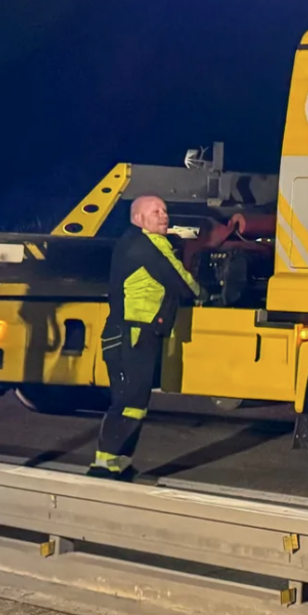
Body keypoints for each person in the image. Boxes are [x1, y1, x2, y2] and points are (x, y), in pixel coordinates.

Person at [92, 195, 202, 479]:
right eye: (155, 212)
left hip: (130, 333)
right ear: (138, 218)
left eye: (165, 210)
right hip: (134, 334)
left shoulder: (133, 242)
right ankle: (103, 466)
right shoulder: (149, 244)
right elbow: (181, 282)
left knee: (133, 402)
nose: (164, 215)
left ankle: (118, 464)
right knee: (130, 402)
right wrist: (203, 291)